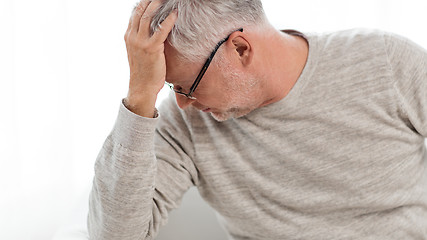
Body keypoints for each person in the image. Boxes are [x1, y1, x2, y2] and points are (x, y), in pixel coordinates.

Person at [87, 0, 427, 239]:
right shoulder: (185, 124)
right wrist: (140, 95)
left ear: (240, 48)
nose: (181, 102)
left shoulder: (385, 63)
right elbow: (114, 235)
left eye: (186, 86)